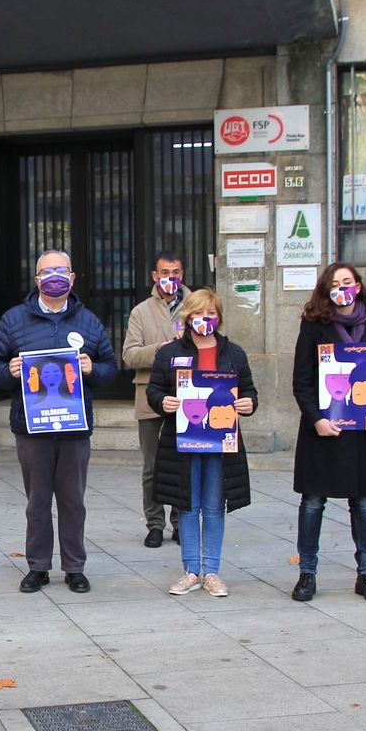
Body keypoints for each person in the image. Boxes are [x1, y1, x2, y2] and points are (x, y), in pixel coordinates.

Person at [0, 250, 118, 594]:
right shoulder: (14, 320)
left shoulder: (88, 321)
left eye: (61, 270)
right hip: (32, 427)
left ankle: (75, 567)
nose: (54, 276)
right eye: (47, 271)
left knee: (73, 501)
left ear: (72, 278)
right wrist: (9, 372)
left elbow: (110, 368)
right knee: (38, 501)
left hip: (74, 427)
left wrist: (93, 369)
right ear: (37, 280)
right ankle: (38, 567)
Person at [289, 262, 366, 604]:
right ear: (326, 290)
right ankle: (307, 572)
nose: (342, 288)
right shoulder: (314, 324)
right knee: (313, 502)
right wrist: (316, 418)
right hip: (323, 430)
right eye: (335, 284)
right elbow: (302, 380)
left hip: (360, 431)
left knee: (363, 504)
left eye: (347, 282)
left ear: (359, 286)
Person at [146, 288, 255, 597]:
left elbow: (248, 390)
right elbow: (154, 389)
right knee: (187, 505)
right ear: (187, 316)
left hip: (221, 442)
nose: (203, 319)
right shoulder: (168, 353)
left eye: (210, 314)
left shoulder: (234, 353)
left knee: (214, 505)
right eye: (197, 313)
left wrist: (248, 403)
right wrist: (162, 401)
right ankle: (191, 570)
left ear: (218, 317)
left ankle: (213, 572)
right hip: (184, 442)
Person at [123, 252, 187, 548]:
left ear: (182, 274)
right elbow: (129, 355)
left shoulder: (196, 306)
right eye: (164, 272)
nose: (170, 278)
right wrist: (159, 349)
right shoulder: (141, 311)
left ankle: (180, 522)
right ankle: (154, 523)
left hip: (188, 395)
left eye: (175, 272)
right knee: (152, 465)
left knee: (183, 461)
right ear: (154, 275)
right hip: (149, 393)